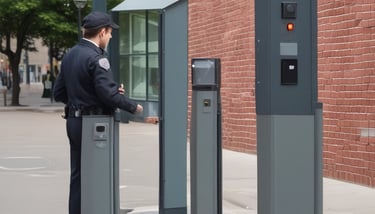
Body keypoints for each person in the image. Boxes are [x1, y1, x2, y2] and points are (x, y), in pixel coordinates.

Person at [53, 11, 143, 214]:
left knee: (77, 174)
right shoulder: (97, 59)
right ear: (102, 32)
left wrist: (79, 101)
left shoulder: (70, 55)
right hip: (94, 125)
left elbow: (59, 92)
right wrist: (133, 107)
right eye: (110, 33)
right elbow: (107, 95)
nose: (110, 37)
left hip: (74, 122)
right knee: (98, 173)